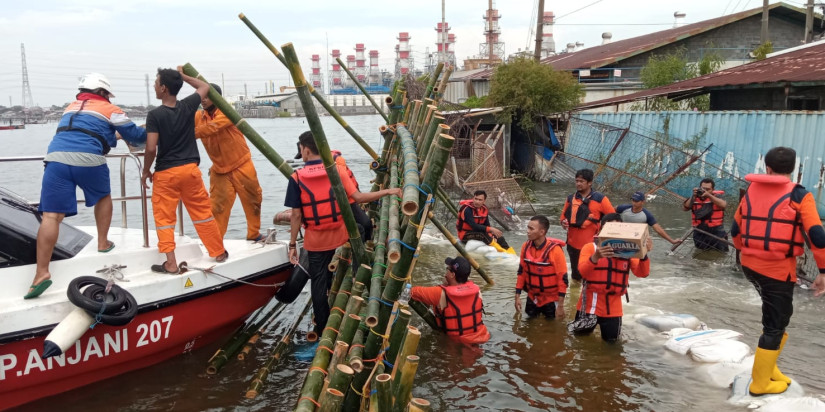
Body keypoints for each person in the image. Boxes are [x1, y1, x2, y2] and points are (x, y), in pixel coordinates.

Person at [25, 73, 147, 299]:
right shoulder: (111, 110)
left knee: (51, 216)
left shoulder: (69, 108)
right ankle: (103, 242)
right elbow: (137, 137)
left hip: (56, 159)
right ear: (103, 93)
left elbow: (88, 131)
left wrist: (114, 136)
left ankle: (40, 274)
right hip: (89, 159)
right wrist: (150, 129)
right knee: (103, 197)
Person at [730, 147, 825, 396]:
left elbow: (735, 230)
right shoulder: (799, 195)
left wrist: (747, 251)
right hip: (776, 271)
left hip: (749, 266)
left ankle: (769, 369)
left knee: (778, 318)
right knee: (775, 324)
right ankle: (760, 384)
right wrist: (823, 271)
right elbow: (817, 235)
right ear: (792, 170)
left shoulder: (751, 190)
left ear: (768, 169)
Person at [286, 131, 400, 335]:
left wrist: (293, 244)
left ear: (306, 149)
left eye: (301, 149)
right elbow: (358, 196)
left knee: (318, 285)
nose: (301, 153)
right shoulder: (337, 171)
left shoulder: (296, 178)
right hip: (340, 233)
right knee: (362, 227)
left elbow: (296, 215)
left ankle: (323, 330)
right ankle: (359, 274)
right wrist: (387, 191)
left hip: (315, 241)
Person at [142, 67, 227, 274]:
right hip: (190, 170)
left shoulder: (155, 115)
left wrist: (146, 170)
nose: (154, 85)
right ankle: (218, 251)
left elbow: (151, 148)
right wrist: (184, 77)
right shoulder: (188, 106)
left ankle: (171, 263)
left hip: (166, 173)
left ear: (163, 88)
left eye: (156, 82)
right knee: (202, 213)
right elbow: (204, 86)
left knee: (164, 219)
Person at [194, 83, 263, 241]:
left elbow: (213, 127)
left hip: (242, 164)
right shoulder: (198, 117)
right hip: (219, 169)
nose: (203, 100)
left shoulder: (227, 112)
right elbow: (179, 125)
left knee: (253, 201)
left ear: (217, 98)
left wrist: (189, 133)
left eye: (207, 96)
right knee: (217, 207)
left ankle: (254, 234)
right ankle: (215, 242)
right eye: (201, 96)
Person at [573, 213, 652, 342]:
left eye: (618, 228)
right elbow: (582, 272)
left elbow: (642, 273)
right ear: (600, 228)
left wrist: (644, 254)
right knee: (579, 342)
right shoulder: (590, 248)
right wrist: (596, 257)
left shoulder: (628, 252)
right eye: (610, 227)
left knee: (612, 345)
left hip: (613, 308)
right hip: (588, 305)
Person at [295, 146, 372, 243]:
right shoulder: (312, 166)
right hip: (335, 202)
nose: (302, 159)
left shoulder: (336, 161)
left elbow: (342, 181)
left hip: (347, 200)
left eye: (302, 155)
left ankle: (365, 247)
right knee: (359, 226)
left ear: (307, 151)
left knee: (366, 224)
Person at [411, 256, 490, 344]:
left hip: (458, 344)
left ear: (452, 275)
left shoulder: (440, 293)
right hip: (482, 338)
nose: (446, 272)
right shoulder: (477, 290)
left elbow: (411, 292)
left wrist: (443, 285)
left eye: (447, 269)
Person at [561, 168, 615, 281]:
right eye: (577, 181)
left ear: (590, 183)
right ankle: (574, 297)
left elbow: (614, 220)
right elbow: (562, 217)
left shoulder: (601, 199)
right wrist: (563, 223)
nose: (578, 184)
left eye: (581, 181)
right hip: (572, 244)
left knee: (591, 275)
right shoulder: (570, 198)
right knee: (575, 275)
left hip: (591, 246)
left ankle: (588, 296)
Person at [515, 215, 568, 319]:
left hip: (551, 299)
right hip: (532, 297)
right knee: (529, 327)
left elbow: (562, 279)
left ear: (542, 232)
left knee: (552, 329)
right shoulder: (525, 247)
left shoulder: (555, 250)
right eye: (528, 227)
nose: (527, 231)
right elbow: (521, 272)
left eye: (531, 228)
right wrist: (517, 295)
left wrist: (560, 306)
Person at [616, 191, 682, 245]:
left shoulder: (646, 215)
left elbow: (658, 229)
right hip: (622, 236)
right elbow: (609, 212)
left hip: (637, 239)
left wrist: (672, 241)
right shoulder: (624, 208)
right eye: (633, 200)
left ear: (643, 202)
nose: (634, 203)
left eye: (636, 201)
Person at [682, 178, 729, 252]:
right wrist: (694, 196)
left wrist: (709, 195)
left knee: (721, 253)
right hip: (699, 230)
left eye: (708, 189)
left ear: (713, 189)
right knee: (701, 253)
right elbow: (685, 208)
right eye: (703, 188)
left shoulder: (717, 197)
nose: (705, 191)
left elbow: (723, 205)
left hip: (717, 230)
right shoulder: (694, 198)